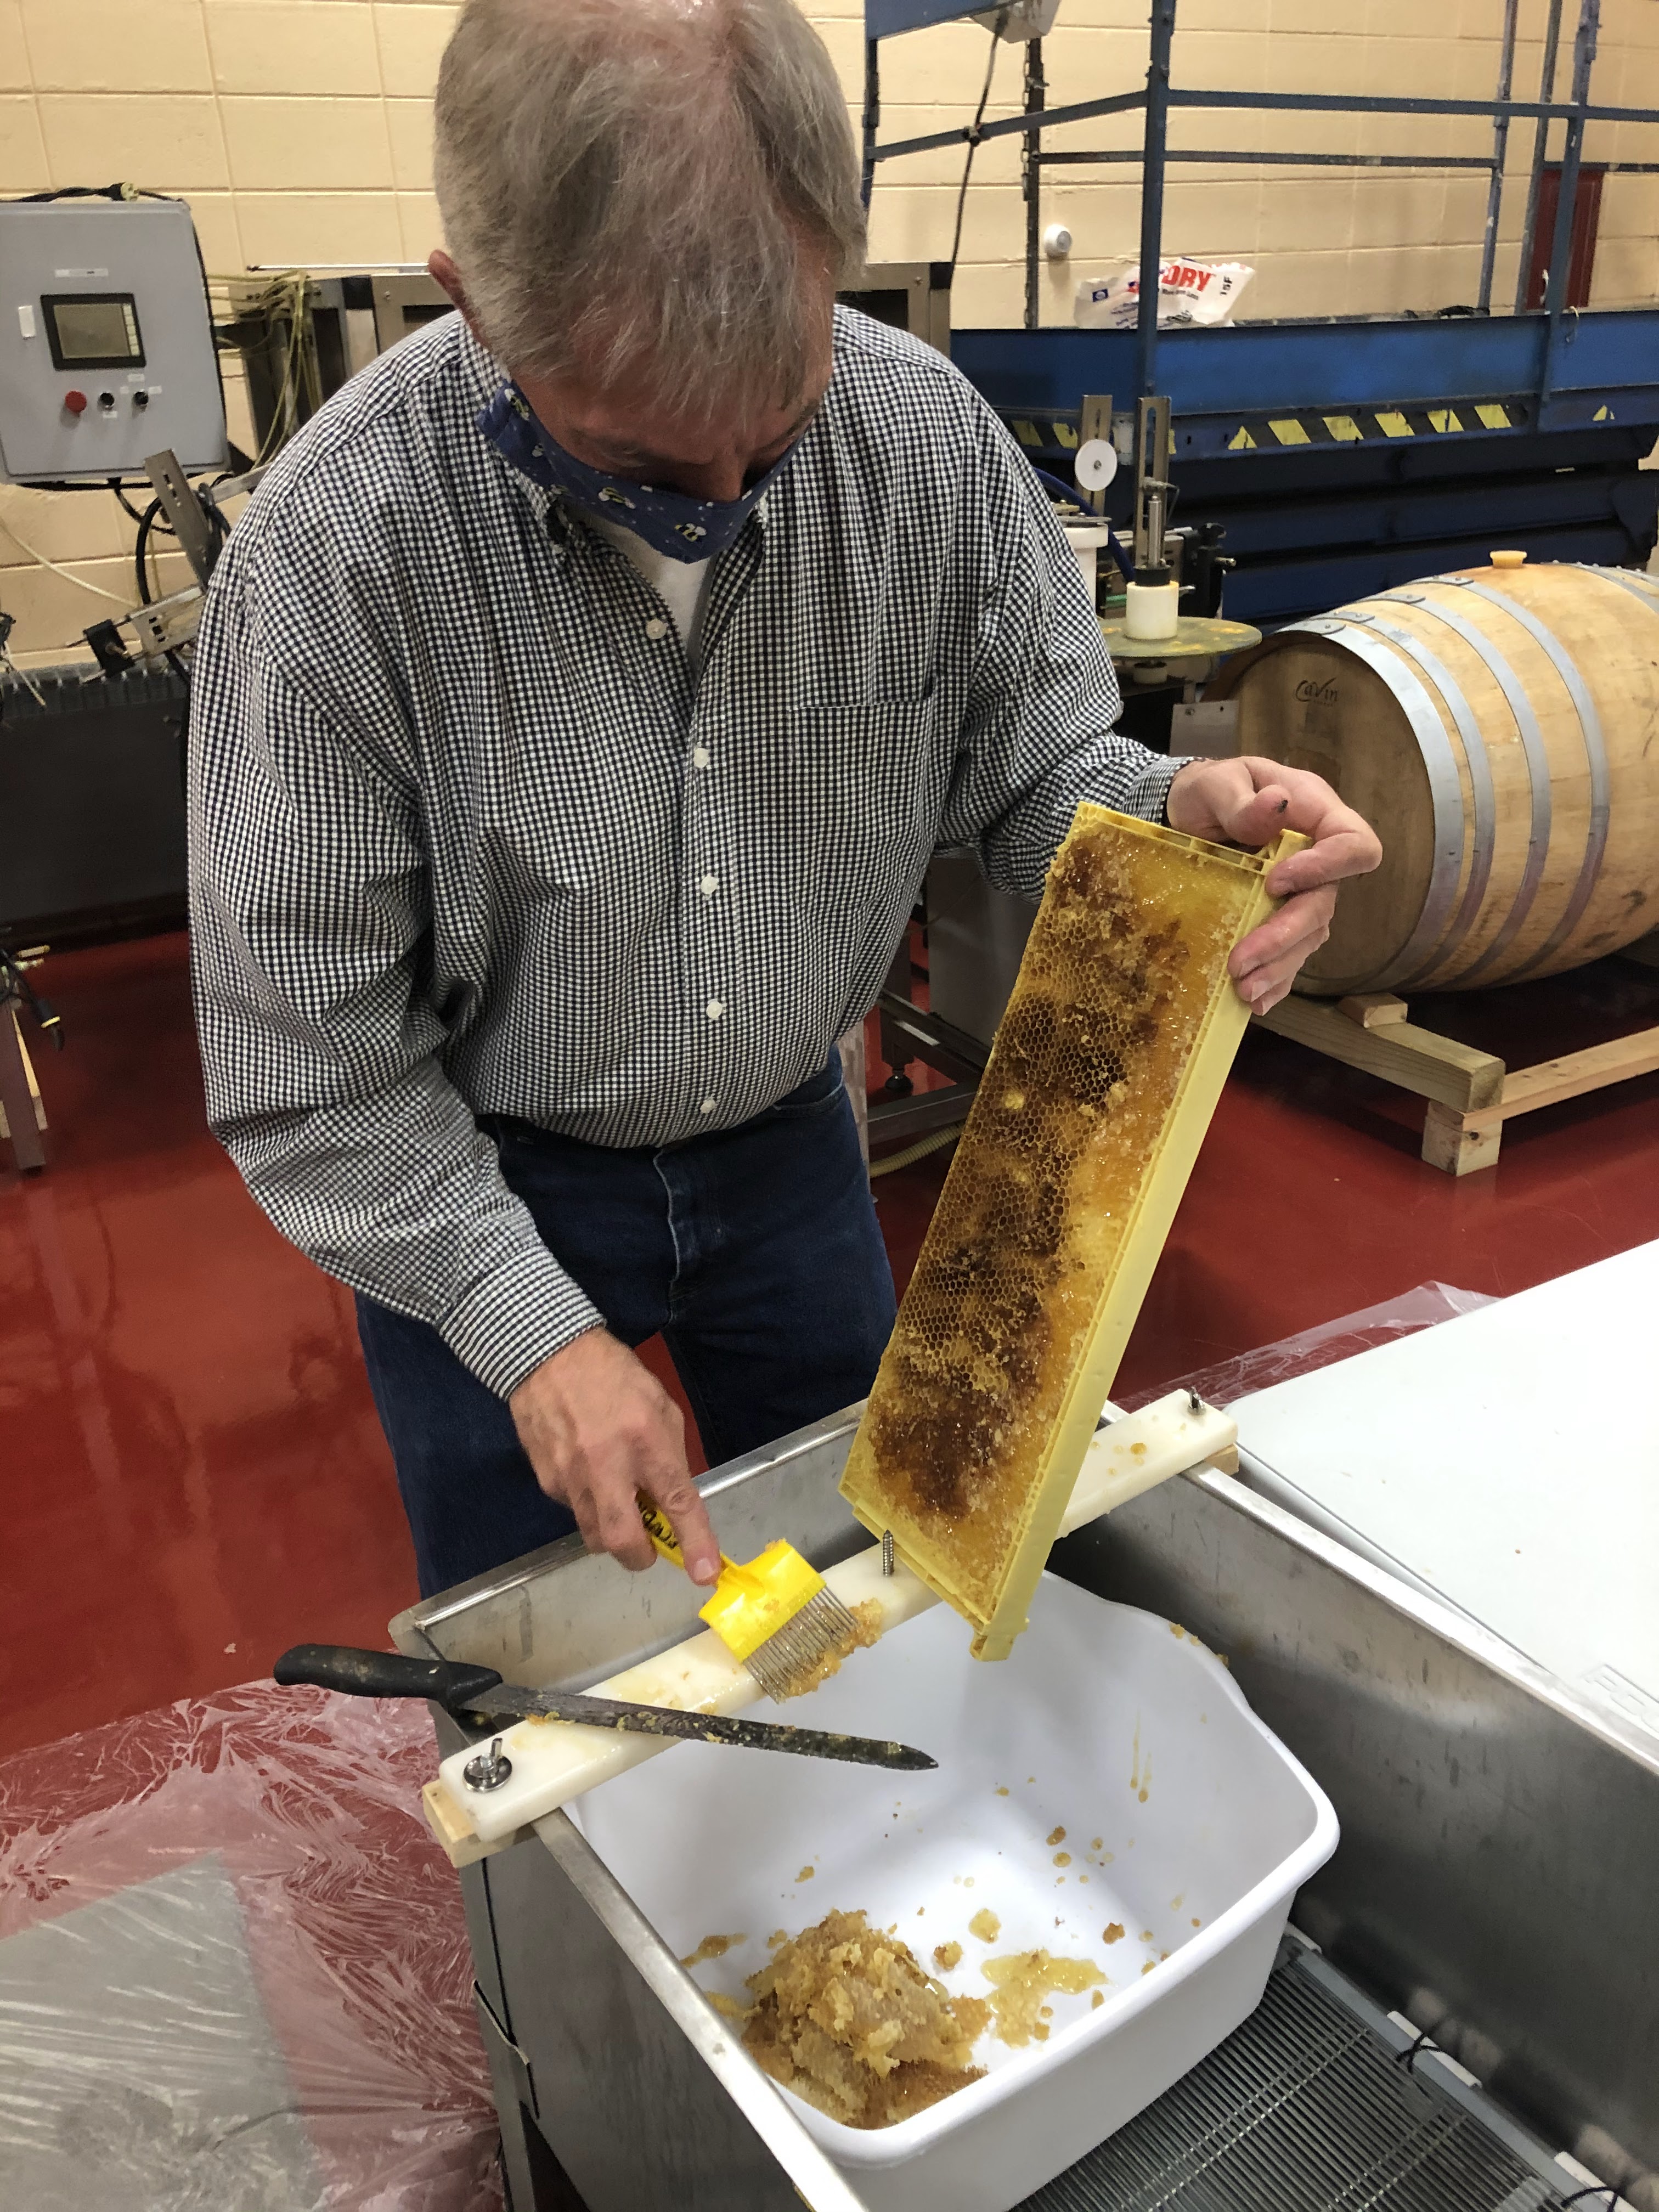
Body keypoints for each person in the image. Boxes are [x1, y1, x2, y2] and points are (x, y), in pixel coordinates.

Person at [188, 0, 1381, 1602]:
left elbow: (1028, 775)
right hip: (482, 1176)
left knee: (871, 1592)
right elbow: (309, 1063)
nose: (719, 516)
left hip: (793, 1157)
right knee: (544, 1679)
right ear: (473, 307)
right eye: (637, 464)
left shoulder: (924, 448)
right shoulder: (337, 557)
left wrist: (1181, 823)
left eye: (775, 438)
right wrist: (532, 1340)